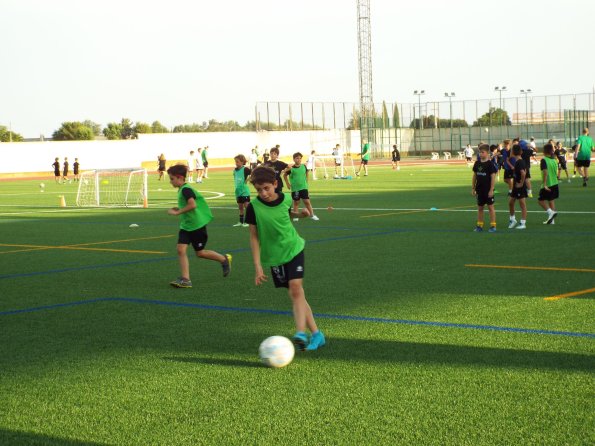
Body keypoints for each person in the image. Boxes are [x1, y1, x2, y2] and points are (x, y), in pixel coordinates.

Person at [245, 165, 325, 351]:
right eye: (258, 190)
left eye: (266, 188)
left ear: (275, 184)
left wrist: (301, 215)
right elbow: (254, 237)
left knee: (296, 289)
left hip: (294, 248)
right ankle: (317, 334)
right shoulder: (253, 208)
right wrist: (257, 265)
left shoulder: (286, 199)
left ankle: (300, 333)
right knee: (296, 295)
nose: (263, 193)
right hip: (275, 257)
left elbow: (287, 214)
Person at [166, 164, 231, 288]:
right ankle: (186, 279)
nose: (170, 181)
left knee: (200, 253)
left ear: (180, 178)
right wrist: (179, 208)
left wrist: (178, 212)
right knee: (180, 249)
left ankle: (224, 259)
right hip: (186, 226)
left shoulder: (186, 189)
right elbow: (188, 205)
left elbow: (192, 205)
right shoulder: (182, 189)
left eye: (172, 179)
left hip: (197, 226)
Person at [283, 152, 319, 222]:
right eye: (297, 158)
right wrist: (287, 184)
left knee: (307, 201)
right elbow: (284, 175)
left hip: (304, 188)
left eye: (300, 158)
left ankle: (312, 215)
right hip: (295, 189)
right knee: (296, 202)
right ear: (294, 159)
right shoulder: (291, 169)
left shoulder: (304, 166)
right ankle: (296, 216)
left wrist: (306, 181)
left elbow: (307, 172)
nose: (299, 160)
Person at [472, 144, 497, 232]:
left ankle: (493, 226)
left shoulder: (490, 164)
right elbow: (475, 176)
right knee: (480, 208)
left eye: (483, 152)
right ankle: (480, 225)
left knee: (490, 207)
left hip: (488, 190)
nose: (480, 154)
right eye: (479, 152)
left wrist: (491, 189)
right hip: (479, 190)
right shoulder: (477, 163)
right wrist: (473, 188)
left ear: (487, 153)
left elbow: (493, 177)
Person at [538, 143, 559, 225]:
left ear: (544, 151)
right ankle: (552, 220)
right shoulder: (554, 160)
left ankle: (551, 213)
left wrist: (544, 184)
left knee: (540, 201)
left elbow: (545, 172)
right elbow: (556, 172)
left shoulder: (544, 160)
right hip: (555, 183)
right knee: (551, 201)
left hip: (548, 184)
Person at [508, 144, 528, 230]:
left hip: (520, 187)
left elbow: (523, 173)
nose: (510, 152)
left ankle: (523, 223)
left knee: (522, 205)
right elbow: (525, 171)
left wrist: (521, 183)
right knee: (511, 202)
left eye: (511, 150)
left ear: (514, 152)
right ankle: (513, 220)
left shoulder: (520, 162)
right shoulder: (518, 161)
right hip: (516, 187)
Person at [232, 154, 251, 227]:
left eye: (237, 162)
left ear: (243, 162)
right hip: (238, 192)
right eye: (235, 162)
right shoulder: (235, 170)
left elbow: (253, 173)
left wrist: (248, 180)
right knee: (240, 208)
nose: (236, 163)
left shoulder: (245, 169)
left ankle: (248, 222)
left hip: (244, 191)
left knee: (247, 206)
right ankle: (241, 222)